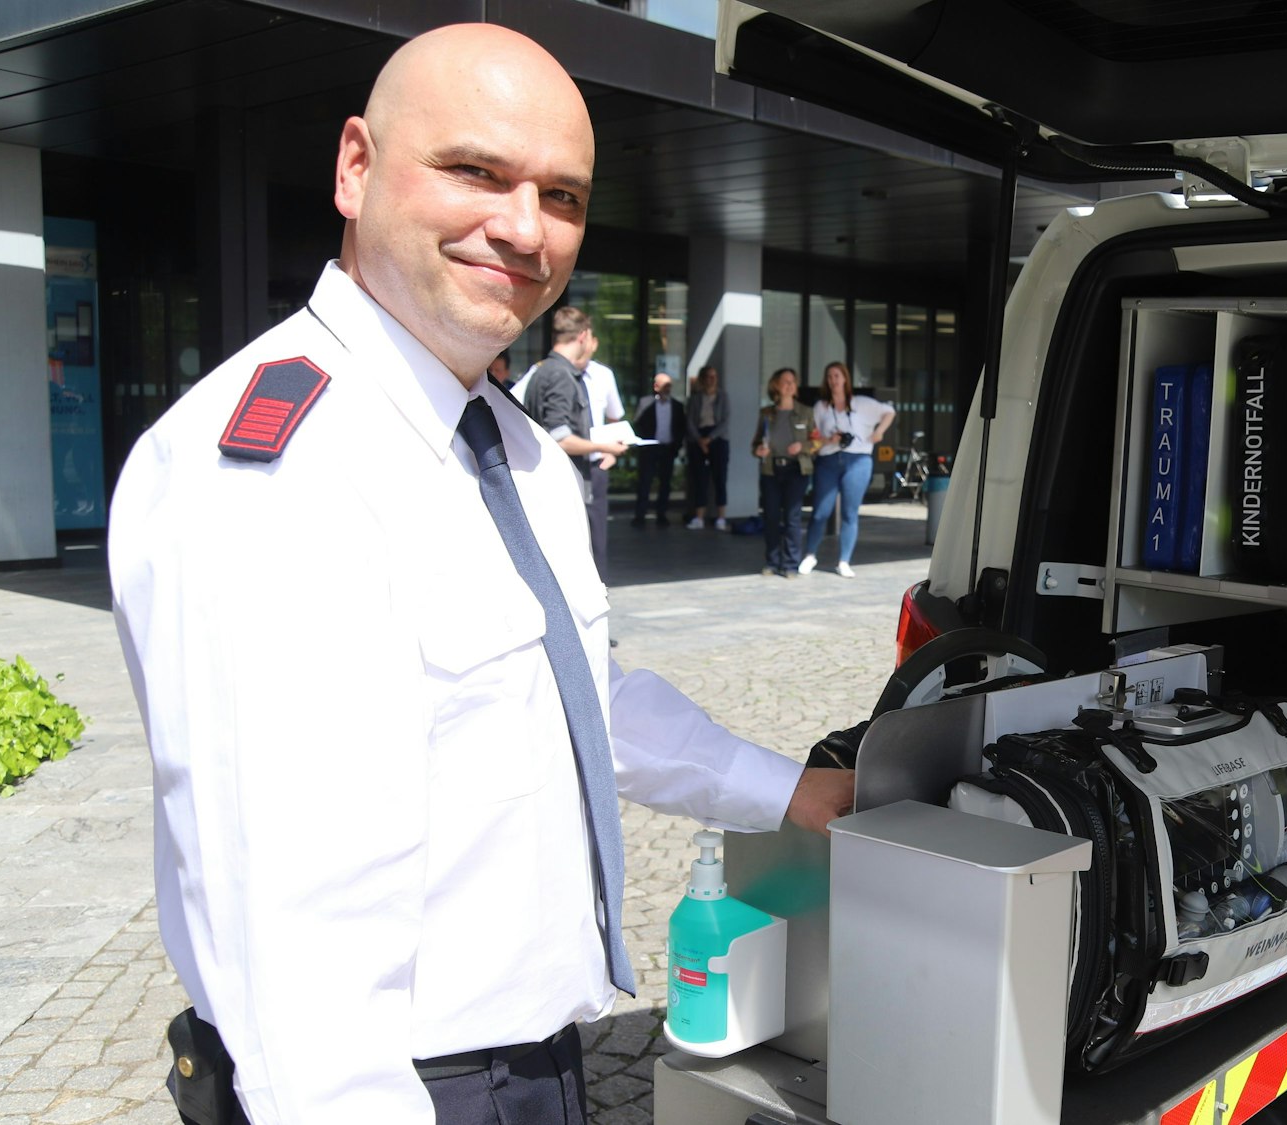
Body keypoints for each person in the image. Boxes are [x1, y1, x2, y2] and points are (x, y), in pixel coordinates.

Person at [106, 24, 853, 1125]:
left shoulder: (511, 449)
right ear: (355, 168)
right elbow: (289, 939)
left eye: (561, 195)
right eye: (474, 172)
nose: (523, 227)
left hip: (533, 1065)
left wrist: (787, 792)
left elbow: (569, 699)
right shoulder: (274, 467)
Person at [522, 306, 625, 581]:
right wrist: (606, 448)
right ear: (582, 336)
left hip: (550, 479)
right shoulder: (560, 375)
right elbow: (561, 437)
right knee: (582, 554)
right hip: (566, 479)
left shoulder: (542, 371)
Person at [799, 360, 895, 577]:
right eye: (830, 376)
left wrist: (879, 432)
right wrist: (829, 439)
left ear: (845, 379)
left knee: (850, 512)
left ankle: (844, 560)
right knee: (820, 511)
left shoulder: (861, 403)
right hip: (828, 460)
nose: (833, 380)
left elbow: (889, 411)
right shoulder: (821, 407)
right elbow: (813, 437)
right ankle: (809, 555)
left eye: (837, 375)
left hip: (858, 460)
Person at [753, 367, 813, 577]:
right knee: (770, 516)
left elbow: (816, 441)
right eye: (784, 381)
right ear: (776, 386)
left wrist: (802, 447)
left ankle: (790, 564)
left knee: (792, 517)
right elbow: (756, 443)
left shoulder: (806, 412)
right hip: (771, 469)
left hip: (796, 469)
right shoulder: (766, 413)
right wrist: (759, 450)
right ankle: (772, 561)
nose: (789, 385)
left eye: (792, 381)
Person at [631, 370, 686, 526]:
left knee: (665, 483)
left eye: (670, 385)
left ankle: (661, 514)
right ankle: (640, 515)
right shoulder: (646, 403)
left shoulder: (677, 406)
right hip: (650, 448)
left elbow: (681, 428)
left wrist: (677, 446)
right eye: (665, 385)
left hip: (667, 448)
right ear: (656, 386)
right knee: (645, 481)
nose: (668, 388)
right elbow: (637, 422)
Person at [684, 364, 729, 531]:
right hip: (698, 437)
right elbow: (689, 420)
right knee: (699, 479)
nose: (712, 380)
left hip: (717, 438)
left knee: (720, 478)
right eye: (709, 377)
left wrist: (710, 438)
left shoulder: (723, 397)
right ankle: (699, 517)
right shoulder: (695, 398)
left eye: (714, 377)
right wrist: (700, 440)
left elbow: (725, 421)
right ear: (703, 379)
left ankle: (721, 517)